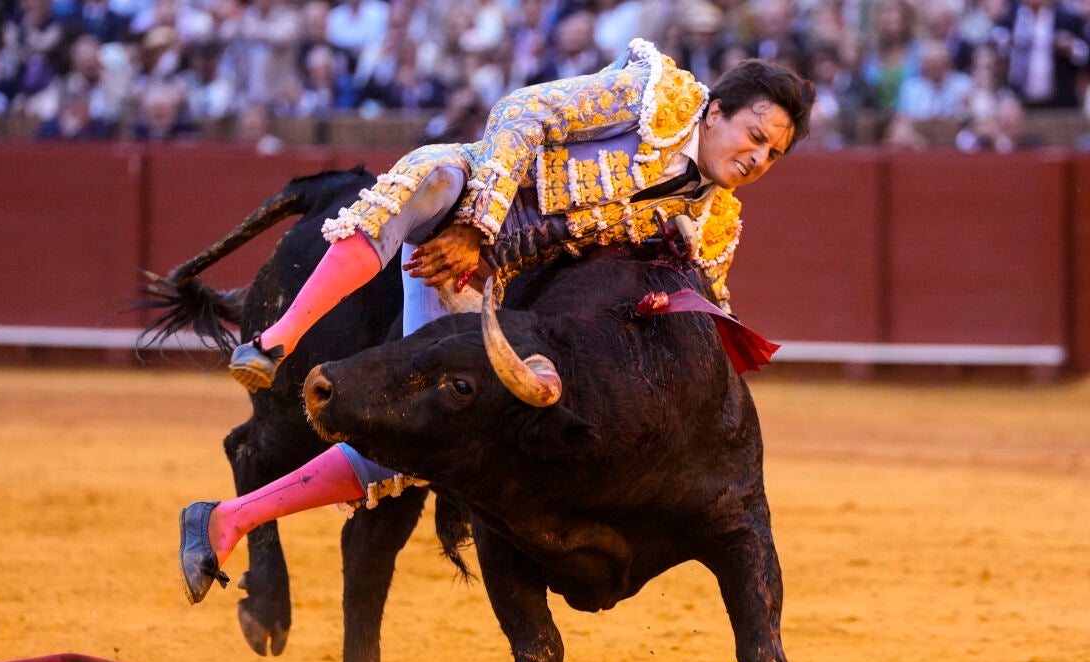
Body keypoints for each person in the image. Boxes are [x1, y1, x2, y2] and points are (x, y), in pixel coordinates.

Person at [180, 37, 813, 606]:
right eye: (756, 135)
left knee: (413, 446)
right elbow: (521, 111)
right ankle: (275, 339)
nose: (759, 158)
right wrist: (476, 226)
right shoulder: (654, 94)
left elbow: (701, 323)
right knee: (425, 179)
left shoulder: (714, 224)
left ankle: (228, 517)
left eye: (775, 153)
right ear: (715, 110)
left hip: (487, 297)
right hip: (464, 204)